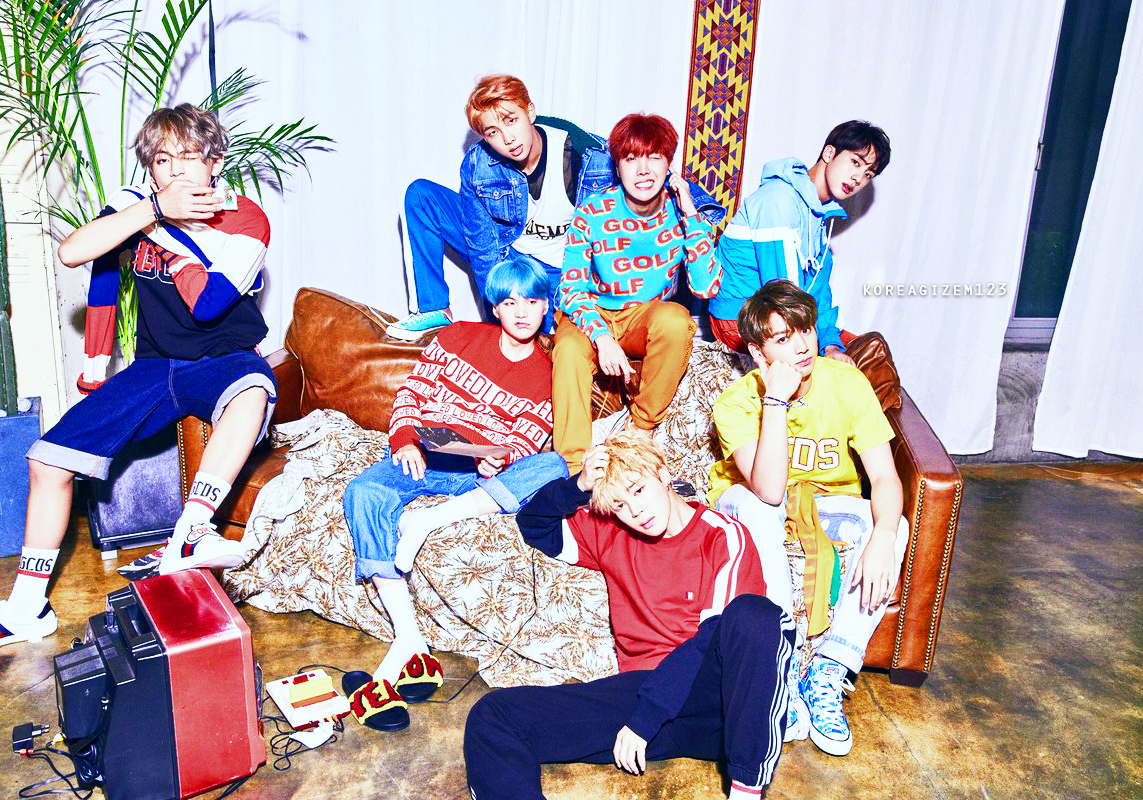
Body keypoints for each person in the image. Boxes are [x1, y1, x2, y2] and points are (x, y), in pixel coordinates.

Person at [0, 104, 276, 656]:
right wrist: (153, 211)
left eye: (189, 157)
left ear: (215, 163)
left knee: (251, 393)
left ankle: (193, 529)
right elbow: (74, 251)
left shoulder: (244, 218)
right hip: (154, 366)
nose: (175, 171)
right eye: (162, 160)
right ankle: (26, 608)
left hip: (224, 358)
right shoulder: (137, 205)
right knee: (46, 460)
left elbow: (208, 305)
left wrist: (167, 242)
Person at [464, 429, 796, 798]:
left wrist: (646, 717)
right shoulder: (611, 530)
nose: (634, 511)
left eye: (638, 490)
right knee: (494, 715)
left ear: (663, 474)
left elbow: (709, 640)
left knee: (756, 615)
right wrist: (578, 486)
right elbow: (533, 523)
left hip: (715, 704)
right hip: (643, 695)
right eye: (620, 504)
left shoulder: (722, 536)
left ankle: (746, 790)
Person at [342, 256, 569, 728]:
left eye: (531, 301)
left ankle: (428, 520)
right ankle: (409, 638)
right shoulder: (458, 336)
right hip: (424, 458)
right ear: (495, 307)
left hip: (476, 479)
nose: (521, 312)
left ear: (546, 306)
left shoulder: (549, 373)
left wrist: (499, 458)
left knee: (553, 465)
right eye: (510, 302)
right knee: (363, 491)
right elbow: (411, 395)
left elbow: (528, 439)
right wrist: (405, 440)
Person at [707, 280, 910, 757]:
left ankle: (828, 669)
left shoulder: (846, 383)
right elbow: (769, 491)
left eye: (806, 330)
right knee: (759, 507)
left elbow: (884, 477)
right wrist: (776, 401)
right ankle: (782, 665)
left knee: (893, 524)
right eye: (783, 338)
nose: (801, 346)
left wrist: (883, 535)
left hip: (825, 502)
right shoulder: (737, 402)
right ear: (757, 352)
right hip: (749, 502)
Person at [552, 113, 725, 473]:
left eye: (654, 158)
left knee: (676, 321)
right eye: (631, 159)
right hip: (592, 313)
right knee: (567, 348)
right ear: (617, 167)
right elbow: (571, 288)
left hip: (642, 318)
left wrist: (691, 213)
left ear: (668, 165)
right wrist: (601, 337)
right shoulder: (592, 212)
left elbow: (706, 286)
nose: (643, 170)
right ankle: (573, 468)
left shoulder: (683, 214)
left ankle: (639, 432)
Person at [385, 74, 616, 340]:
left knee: (557, 334)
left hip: (563, 272)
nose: (508, 138)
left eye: (511, 120)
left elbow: (628, 213)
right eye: (493, 132)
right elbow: (482, 247)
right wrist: (499, 312)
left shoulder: (591, 158)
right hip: (507, 254)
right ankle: (433, 309)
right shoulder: (478, 165)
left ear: (530, 112)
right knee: (421, 196)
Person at [709, 120, 891, 363]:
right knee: (845, 366)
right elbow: (781, 291)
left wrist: (830, 346)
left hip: (783, 316)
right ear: (829, 153)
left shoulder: (820, 220)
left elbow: (818, 292)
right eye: (855, 162)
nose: (858, 178)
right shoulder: (779, 200)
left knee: (869, 351)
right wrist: (815, 347)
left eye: (868, 174)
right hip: (740, 319)